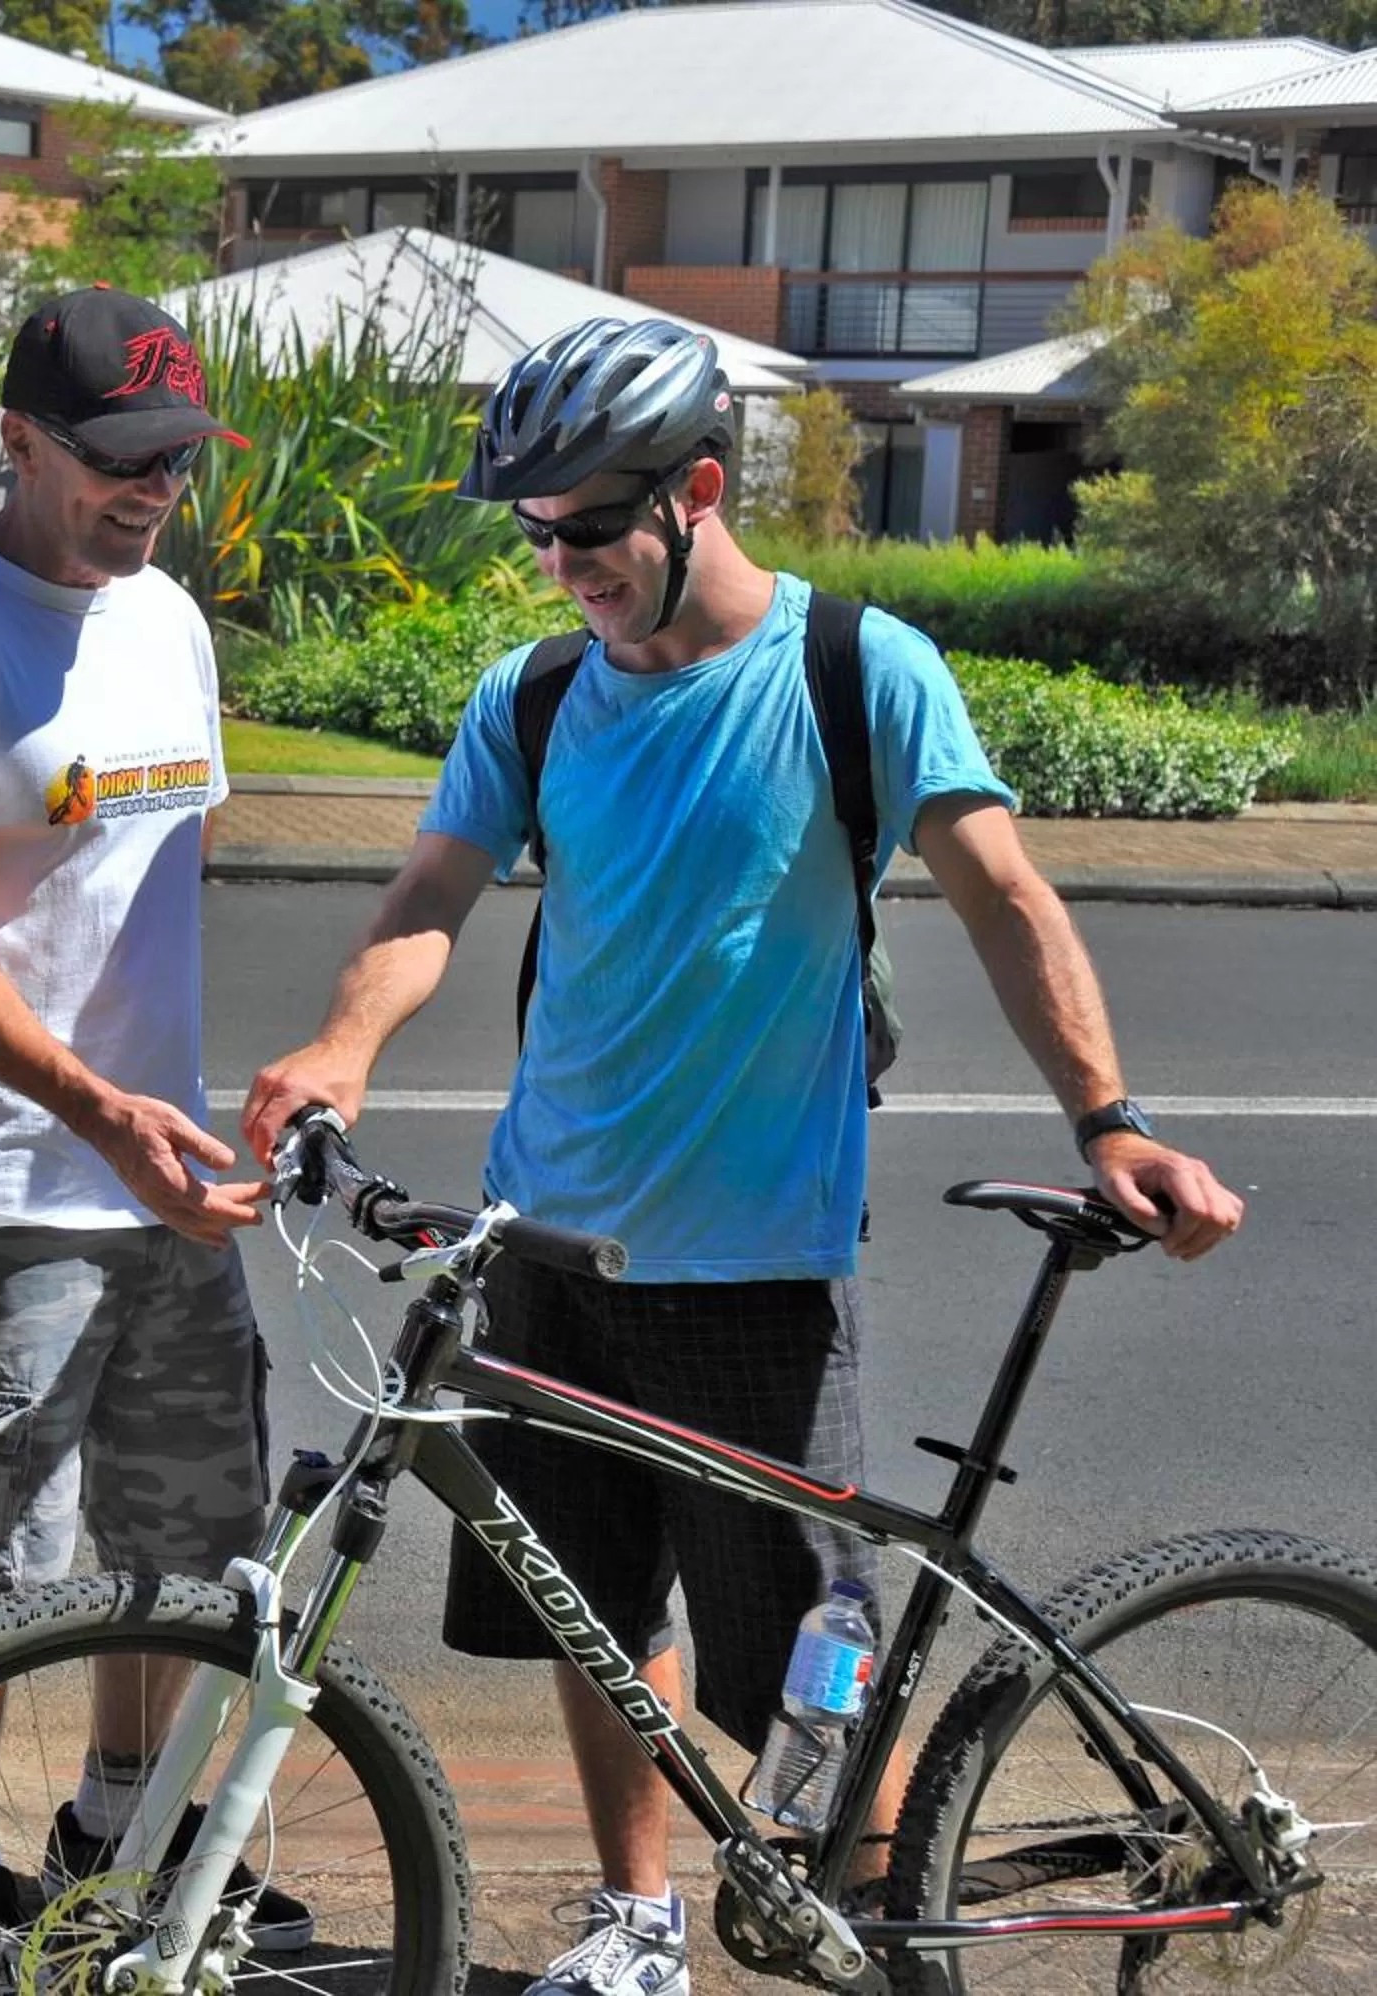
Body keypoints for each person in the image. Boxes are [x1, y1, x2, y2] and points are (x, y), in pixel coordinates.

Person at [241, 316, 1246, 1996]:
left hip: (754, 1260)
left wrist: (1110, 1119)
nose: (561, 564)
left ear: (697, 491)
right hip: (544, 1239)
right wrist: (341, 1047)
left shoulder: (856, 671)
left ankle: (882, 1943)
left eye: (589, 525)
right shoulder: (538, 695)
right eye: (535, 532)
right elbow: (430, 893)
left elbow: (1006, 898)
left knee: (804, 1676)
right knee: (590, 1612)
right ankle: (636, 1921)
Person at [0, 286, 308, 1996]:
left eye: (176, 461)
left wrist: (167, 1108)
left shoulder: (168, 619)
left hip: (166, 1190)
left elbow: (154, 873)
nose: (152, 492)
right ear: (18, 442)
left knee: (182, 1556)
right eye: (119, 461)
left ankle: (113, 1830)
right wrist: (99, 1107)